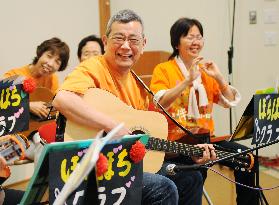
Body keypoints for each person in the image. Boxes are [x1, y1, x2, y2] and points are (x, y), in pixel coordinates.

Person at [53, 10, 215, 204]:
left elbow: (145, 143)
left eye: (134, 40)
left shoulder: (137, 85)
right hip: (91, 167)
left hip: (125, 164)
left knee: (191, 178)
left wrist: (190, 153)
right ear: (105, 41)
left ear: (143, 45)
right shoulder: (93, 67)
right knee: (162, 187)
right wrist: (110, 125)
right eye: (118, 38)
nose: (126, 46)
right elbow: (62, 99)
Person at [150, 17, 257, 205]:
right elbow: (160, 103)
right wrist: (187, 81)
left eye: (199, 37)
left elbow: (229, 101)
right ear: (177, 43)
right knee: (194, 174)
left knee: (247, 160)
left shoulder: (205, 72)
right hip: (178, 144)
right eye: (189, 37)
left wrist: (219, 76)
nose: (195, 42)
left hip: (208, 141)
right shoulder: (164, 69)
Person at [3, 37, 70, 119]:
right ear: (40, 54)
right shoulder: (15, 75)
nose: (50, 64)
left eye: (57, 62)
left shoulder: (53, 79)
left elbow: (54, 105)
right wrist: (28, 106)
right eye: (49, 56)